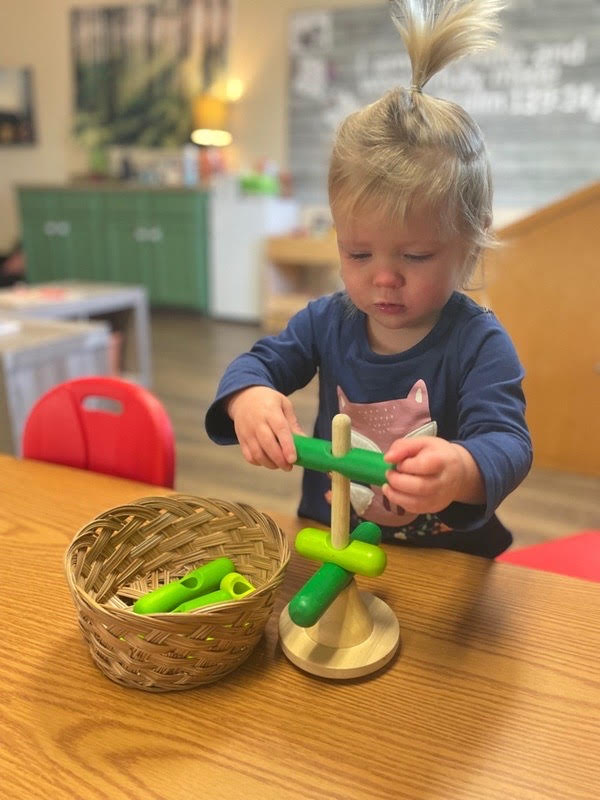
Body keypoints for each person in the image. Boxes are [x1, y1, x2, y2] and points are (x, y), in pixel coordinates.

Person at [205, 0, 532, 558]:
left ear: (470, 244)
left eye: (416, 256)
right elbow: (255, 363)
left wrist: (461, 469)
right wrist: (249, 398)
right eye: (358, 253)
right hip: (333, 537)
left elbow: (508, 443)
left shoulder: (480, 343)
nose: (384, 279)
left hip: (444, 556)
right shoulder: (325, 321)